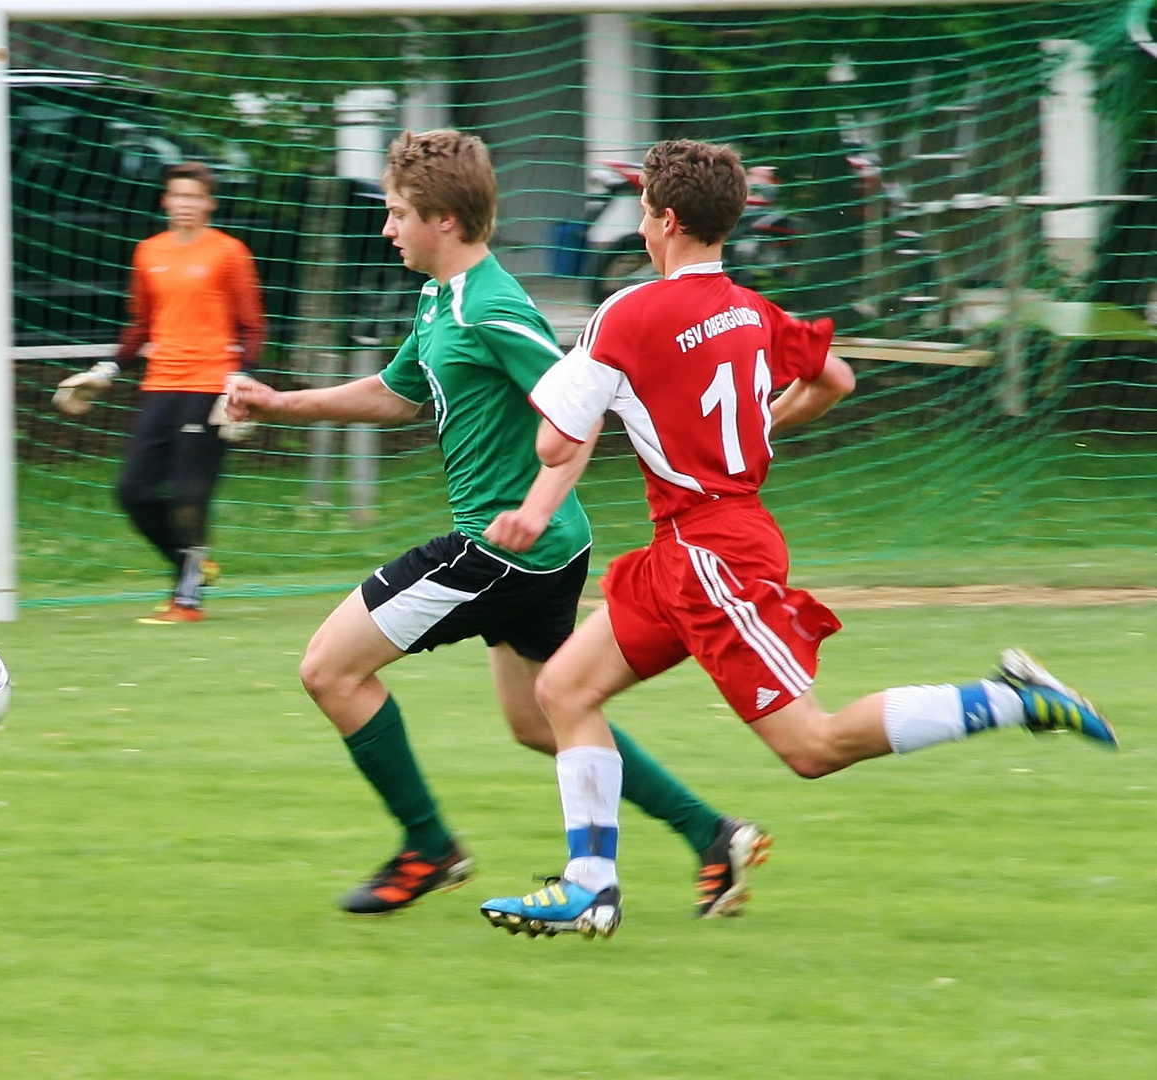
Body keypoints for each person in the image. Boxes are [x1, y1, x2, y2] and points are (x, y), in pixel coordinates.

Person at [478, 139, 1118, 941]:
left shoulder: (629, 313)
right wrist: (762, 426)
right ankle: (589, 885)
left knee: (812, 746)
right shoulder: (750, 310)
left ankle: (1011, 700)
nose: (641, 228)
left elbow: (552, 444)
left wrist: (572, 416)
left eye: (645, 213)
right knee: (564, 690)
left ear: (668, 220)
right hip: (685, 551)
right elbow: (836, 378)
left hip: (713, 556)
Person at [226, 128, 771, 920]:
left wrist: (535, 501)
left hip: (505, 547)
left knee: (329, 670)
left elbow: (571, 405)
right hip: (547, 549)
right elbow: (396, 393)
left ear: (444, 219)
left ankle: (427, 849)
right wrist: (281, 403)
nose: (387, 229)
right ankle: (711, 833)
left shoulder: (489, 305)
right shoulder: (439, 298)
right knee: (544, 715)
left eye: (398, 214)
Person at [54, 161, 265, 624]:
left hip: (210, 386)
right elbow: (141, 324)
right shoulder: (148, 252)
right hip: (159, 386)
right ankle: (190, 562)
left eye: (195, 197)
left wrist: (242, 376)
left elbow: (251, 326)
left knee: (192, 492)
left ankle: (186, 601)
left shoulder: (229, 253)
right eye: (178, 196)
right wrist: (108, 368)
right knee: (132, 490)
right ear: (166, 200)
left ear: (209, 204)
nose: (186, 205)